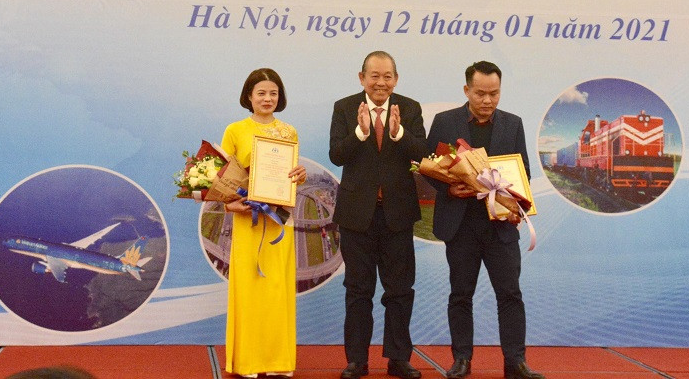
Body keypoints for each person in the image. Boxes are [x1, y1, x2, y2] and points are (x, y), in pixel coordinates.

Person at [426, 61, 545, 379]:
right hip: (460, 225)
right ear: (467, 90)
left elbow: (524, 171)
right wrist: (450, 188)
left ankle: (515, 362)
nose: (487, 100)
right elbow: (429, 168)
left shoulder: (513, 124)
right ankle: (461, 360)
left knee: (510, 295)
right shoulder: (445, 121)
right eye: (480, 93)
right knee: (460, 295)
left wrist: (510, 193)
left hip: (500, 227)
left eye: (494, 93)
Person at [329, 51, 429, 379]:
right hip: (357, 216)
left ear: (396, 79)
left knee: (400, 290)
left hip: (397, 215)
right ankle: (357, 361)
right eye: (374, 76)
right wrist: (360, 132)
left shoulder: (409, 108)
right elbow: (336, 155)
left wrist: (399, 133)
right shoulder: (345, 108)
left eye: (387, 76)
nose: (381, 83)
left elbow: (422, 153)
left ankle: (398, 359)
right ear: (362, 78)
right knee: (358, 291)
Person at [221, 68, 307, 378]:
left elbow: (290, 177)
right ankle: (248, 362)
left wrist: (299, 176)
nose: (267, 99)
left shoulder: (289, 132)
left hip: (279, 222)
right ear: (249, 96)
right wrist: (230, 204)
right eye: (261, 93)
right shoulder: (235, 131)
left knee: (276, 290)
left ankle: (278, 361)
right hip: (248, 221)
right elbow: (222, 178)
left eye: (273, 93)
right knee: (249, 291)